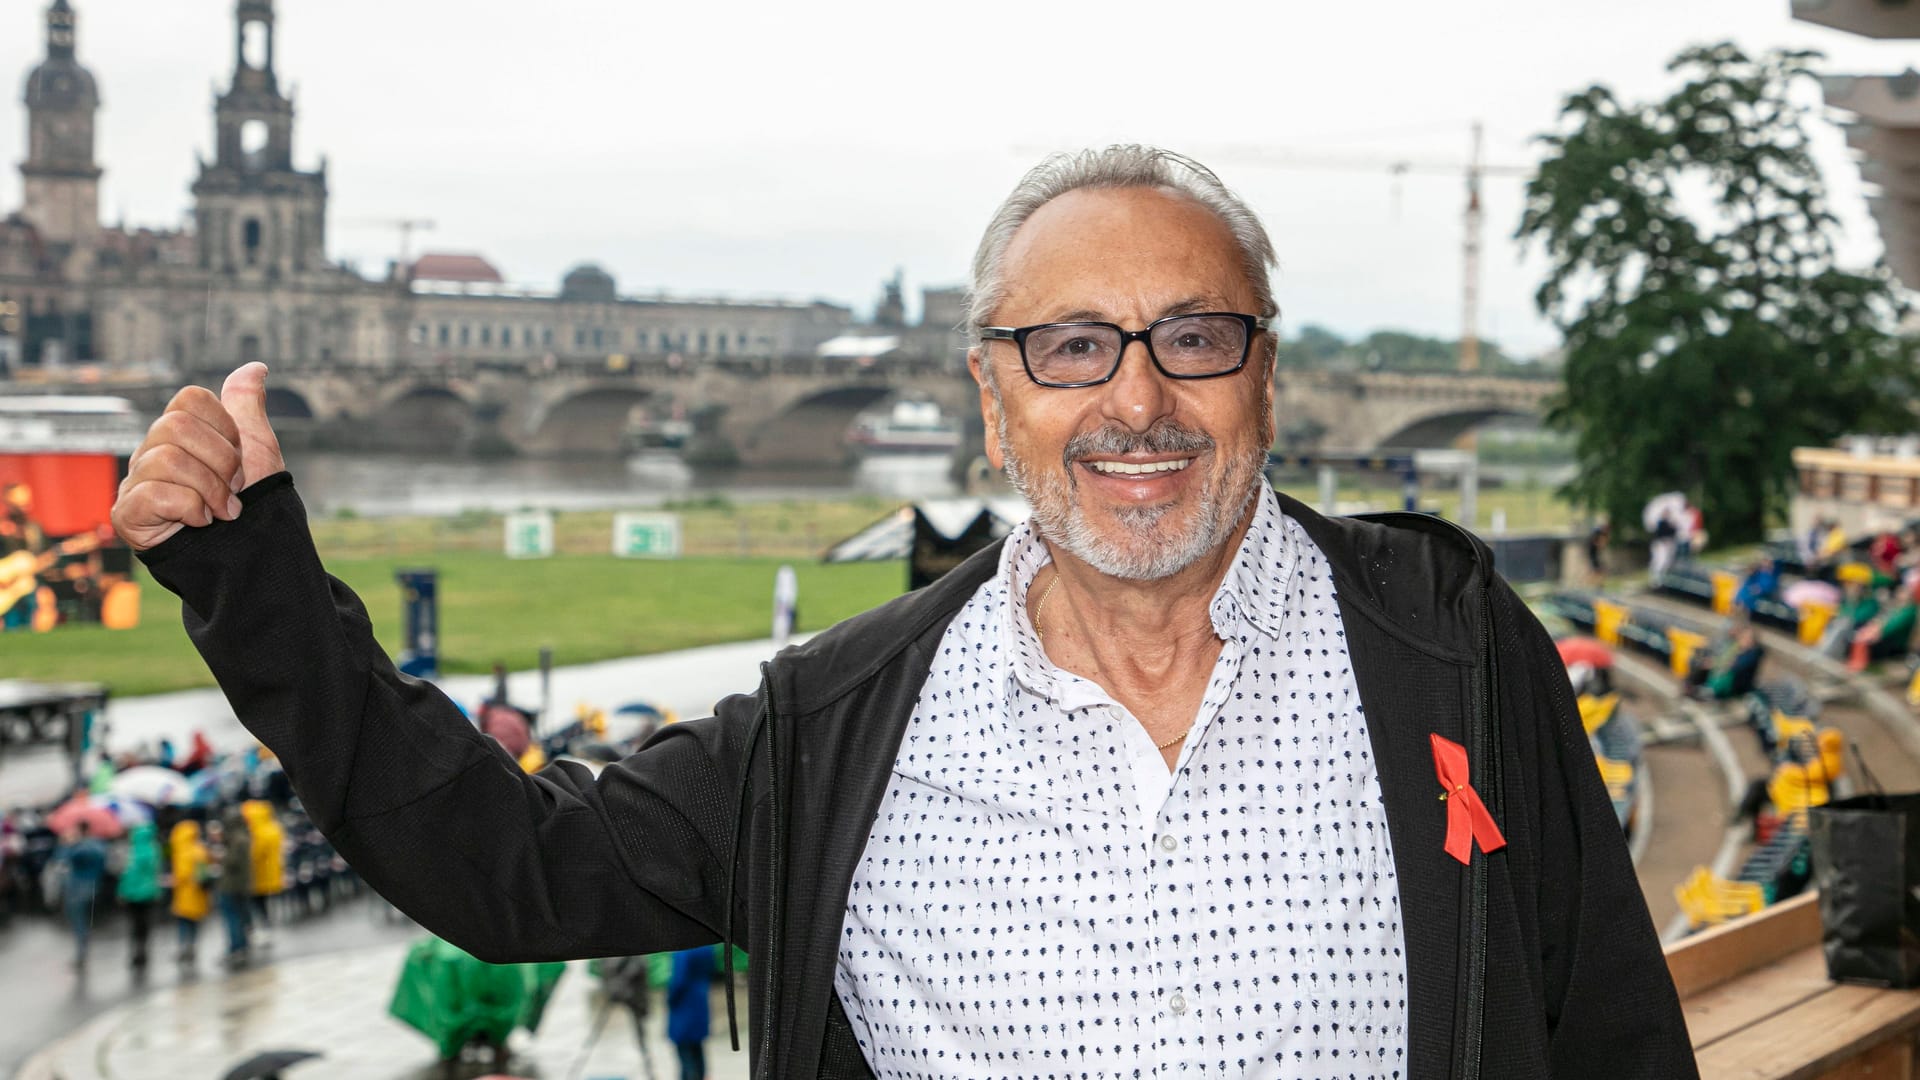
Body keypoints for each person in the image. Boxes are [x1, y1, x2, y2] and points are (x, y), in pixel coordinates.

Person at [112, 145, 1694, 1077]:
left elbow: (1607, 1019)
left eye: (1193, 338)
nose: (1135, 400)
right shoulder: (838, 722)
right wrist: (253, 579)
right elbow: (510, 870)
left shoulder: (1447, 640)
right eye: (1070, 348)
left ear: (1266, 375)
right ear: (992, 400)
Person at [52, 819, 108, 969]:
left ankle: (81, 953)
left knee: (78, 922)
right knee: (86, 921)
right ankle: (83, 950)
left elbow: (61, 861)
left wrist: (65, 843)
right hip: (93, 886)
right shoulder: (99, 844)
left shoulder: (76, 847)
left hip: (76, 889)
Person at [117, 820, 163, 971]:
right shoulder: (154, 850)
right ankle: (143, 951)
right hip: (149, 893)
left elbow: (127, 875)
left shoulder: (133, 852)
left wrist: (121, 891)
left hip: (132, 894)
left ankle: (136, 952)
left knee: (134, 924)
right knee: (145, 924)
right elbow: (157, 873)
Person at [211, 808, 252, 967]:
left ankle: (236, 948)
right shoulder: (243, 836)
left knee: (232, 918)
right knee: (240, 917)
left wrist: (220, 856)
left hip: (231, 885)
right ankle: (242, 946)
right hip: (241, 884)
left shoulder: (237, 839)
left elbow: (233, 862)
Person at [167, 819, 210, 968]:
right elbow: (203, 873)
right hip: (198, 895)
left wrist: (173, 880)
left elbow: (182, 874)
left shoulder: (183, 852)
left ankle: (183, 947)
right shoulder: (200, 849)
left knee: (184, 922)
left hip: (185, 893)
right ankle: (192, 947)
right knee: (194, 923)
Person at [242, 799, 284, 946]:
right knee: (264, 904)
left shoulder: (258, 832)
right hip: (272, 872)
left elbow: (256, 854)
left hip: (258, 875)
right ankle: (266, 929)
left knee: (257, 904)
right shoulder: (273, 827)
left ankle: (261, 931)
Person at [667, 947, 714, 1080]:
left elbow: (678, 980)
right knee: (698, 1051)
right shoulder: (707, 946)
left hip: (684, 1006)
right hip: (701, 999)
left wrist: (670, 999)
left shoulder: (684, 949)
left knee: (685, 1057)